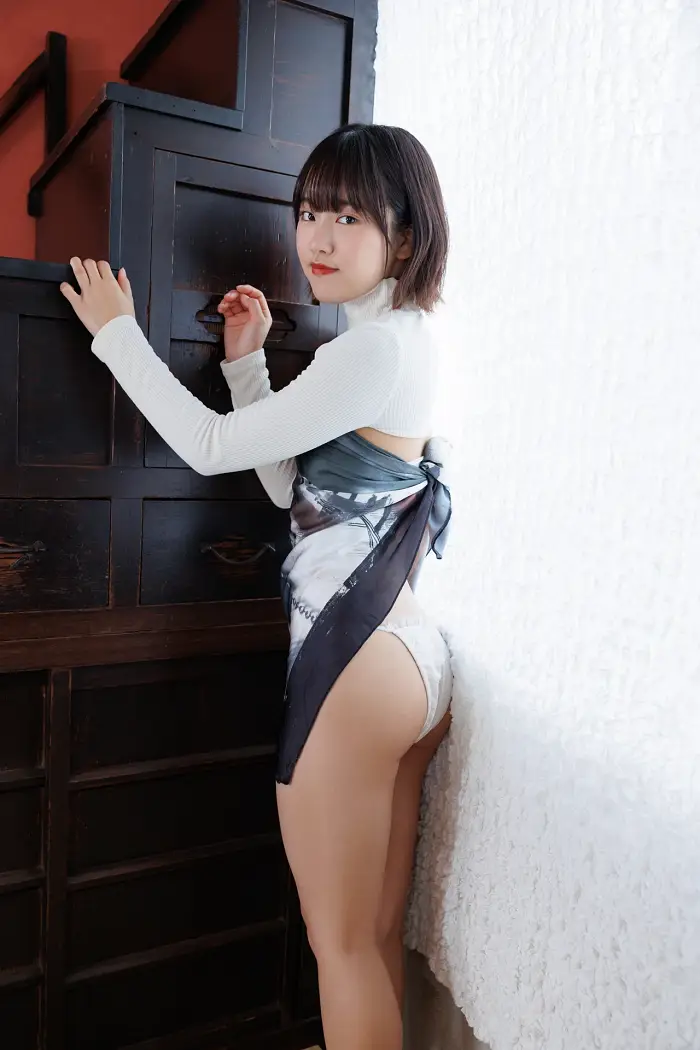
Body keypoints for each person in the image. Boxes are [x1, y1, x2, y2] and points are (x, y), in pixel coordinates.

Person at [60, 122, 453, 1050]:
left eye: (348, 216)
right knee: (370, 942)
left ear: (405, 232)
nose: (317, 236)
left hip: (353, 663)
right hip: (406, 660)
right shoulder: (403, 341)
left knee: (341, 950)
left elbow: (207, 451)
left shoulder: (371, 350)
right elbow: (293, 492)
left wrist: (117, 336)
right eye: (309, 211)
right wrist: (247, 363)